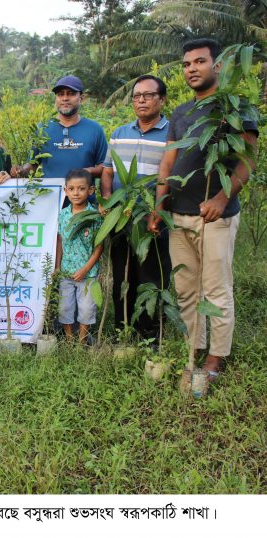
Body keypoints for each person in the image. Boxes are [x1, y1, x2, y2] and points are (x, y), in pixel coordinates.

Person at [150, 38, 258, 381]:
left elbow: (248, 159)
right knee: (185, 288)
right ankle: (193, 345)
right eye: (186, 64)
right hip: (178, 214)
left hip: (215, 216)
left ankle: (216, 357)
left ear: (218, 66)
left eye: (199, 62)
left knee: (216, 289)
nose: (191, 69)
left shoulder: (237, 106)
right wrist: (159, 205)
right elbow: (168, 161)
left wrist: (222, 198)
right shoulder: (181, 113)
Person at [101, 75, 172, 340]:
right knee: (122, 275)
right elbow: (107, 171)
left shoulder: (172, 134)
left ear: (162, 99)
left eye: (148, 95)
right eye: (137, 96)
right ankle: (122, 329)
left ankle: (149, 333)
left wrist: (158, 211)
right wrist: (109, 200)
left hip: (153, 219)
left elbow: (171, 177)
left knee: (151, 276)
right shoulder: (120, 133)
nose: (141, 100)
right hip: (121, 217)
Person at [17, 76, 108, 194]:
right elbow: (33, 164)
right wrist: (20, 171)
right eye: (60, 94)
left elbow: (105, 167)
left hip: (84, 204)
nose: (65, 98)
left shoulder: (94, 129)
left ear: (81, 97)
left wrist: (89, 171)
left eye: (70, 94)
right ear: (56, 99)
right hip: (51, 200)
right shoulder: (43, 128)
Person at [56, 168, 104, 344]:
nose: (76, 193)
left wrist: (86, 269)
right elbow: (59, 240)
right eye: (72, 188)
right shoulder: (62, 215)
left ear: (90, 190)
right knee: (64, 308)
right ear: (66, 190)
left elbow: (99, 247)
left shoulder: (95, 216)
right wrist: (57, 266)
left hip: (88, 274)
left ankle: (81, 342)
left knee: (86, 309)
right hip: (66, 273)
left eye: (81, 188)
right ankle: (69, 341)